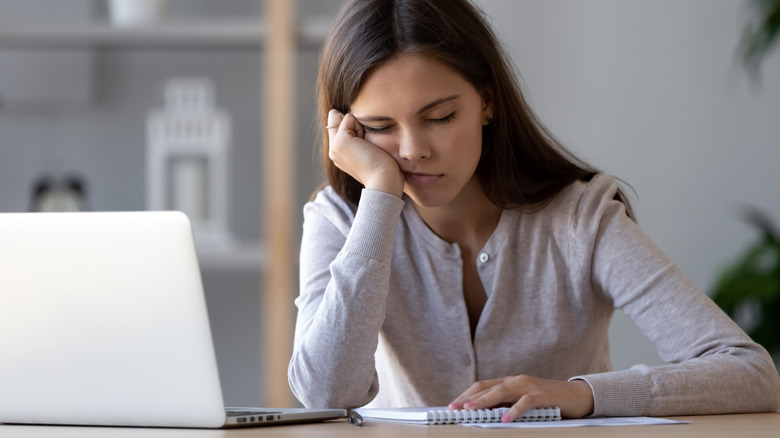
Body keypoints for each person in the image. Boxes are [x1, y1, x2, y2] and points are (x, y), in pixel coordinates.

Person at [288, 0, 780, 422]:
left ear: (486, 103)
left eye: (439, 117)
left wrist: (583, 394)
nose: (413, 149)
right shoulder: (342, 221)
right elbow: (326, 393)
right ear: (347, 131)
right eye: (379, 126)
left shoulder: (581, 219)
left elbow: (750, 373)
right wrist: (378, 196)